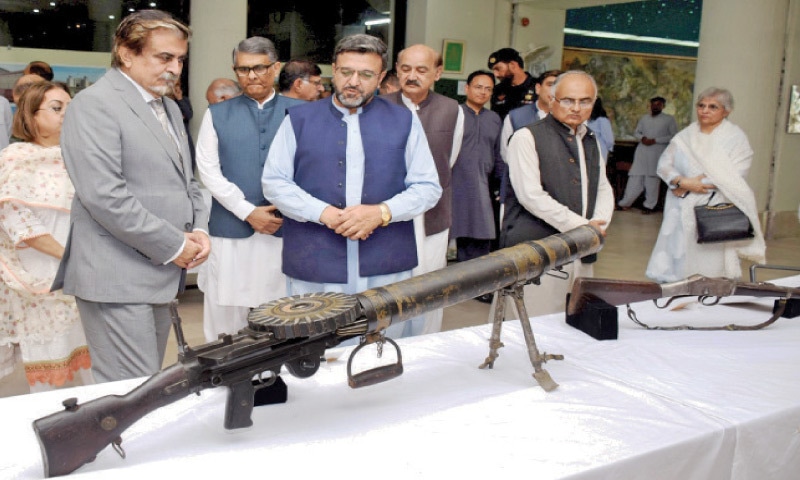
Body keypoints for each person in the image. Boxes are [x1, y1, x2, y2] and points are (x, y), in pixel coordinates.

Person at [53, 10, 210, 383]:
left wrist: (200, 229)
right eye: (164, 57)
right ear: (126, 53)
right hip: (116, 274)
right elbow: (104, 196)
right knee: (130, 388)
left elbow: (186, 181)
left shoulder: (168, 107)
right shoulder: (95, 104)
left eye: (180, 59)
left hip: (159, 271)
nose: (175, 68)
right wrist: (174, 244)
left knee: (147, 384)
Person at [262, 34, 441, 341]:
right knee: (317, 348)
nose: (353, 82)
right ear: (334, 70)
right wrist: (324, 213)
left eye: (366, 75)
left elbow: (427, 187)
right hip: (316, 260)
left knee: (386, 347)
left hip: (386, 261)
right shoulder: (299, 119)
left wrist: (381, 213)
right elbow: (274, 182)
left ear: (381, 78)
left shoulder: (404, 121)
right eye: (346, 72)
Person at [196, 37, 304, 342]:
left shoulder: (301, 112)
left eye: (259, 68)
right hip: (231, 230)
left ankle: (279, 370)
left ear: (276, 67)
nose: (251, 76)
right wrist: (247, 211)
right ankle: (222, 369)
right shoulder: (217, 113)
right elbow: (208, 171)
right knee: (225, 319)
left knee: (283, 314)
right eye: (243, 69)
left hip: (285, 228)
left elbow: (312, 167)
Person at [0, 81, 93, 392]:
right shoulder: (15, 158)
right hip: (41, 275)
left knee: (93, 361)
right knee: (50, 369)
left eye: (70, 107)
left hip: (85, 272)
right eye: (56, 108)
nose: (67, 113)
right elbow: (21, 225)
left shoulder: (79, 158)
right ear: (31, 116)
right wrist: (70, 258)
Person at [500, 70, 614, 317]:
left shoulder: (591, 139)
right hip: (537, 251)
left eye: (585, 101)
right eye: (568, 100)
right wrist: (583, 227)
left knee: (574, 320)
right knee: (530, 323)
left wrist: (599, 224)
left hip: (582, 248)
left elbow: (602, 186)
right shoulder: (526, 137)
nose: (576, 108)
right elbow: (531, 196)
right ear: (552, 99)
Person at [382, 43, 464, 336]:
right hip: (387, 214)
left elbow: (449, 160)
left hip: (433, 214)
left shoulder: (452, 110)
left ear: (437, 73)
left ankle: (426, 343)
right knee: (389, 288)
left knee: (430, 285)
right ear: (397, 70)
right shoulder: (378, 108)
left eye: (421, 70)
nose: (412, 76)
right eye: (405, 69)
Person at [646, 87, 765, 282]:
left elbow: (736, 173)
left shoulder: (735, 138)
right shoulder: (685, 136)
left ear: (726, 111)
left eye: (713, 107)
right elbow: (664, 165)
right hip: (679, 203)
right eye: (701, 105)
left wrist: (694, 184)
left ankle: (707, 291)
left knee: (709, 259)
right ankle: (675, 289)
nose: (705, 110)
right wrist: (681, 181)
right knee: (677, 252)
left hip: (713, 206)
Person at [450, 70, 503, 266]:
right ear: (467, 88)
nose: (483, 92)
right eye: (478, 87)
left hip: (482, 186)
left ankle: (473, 280)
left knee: (480, 235)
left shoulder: (494, 119)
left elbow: (498, 154)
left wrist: (500, 186)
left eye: (488, 89)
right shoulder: (454, 114)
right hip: (454, 184)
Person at [617, 96, 678, 214]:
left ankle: (649, 206)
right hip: (642, 152)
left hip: (657, 152)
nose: (655, 107)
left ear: (663, 106)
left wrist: (655, 140)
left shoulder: (669, 119)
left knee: (652, 182)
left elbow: (673, 136)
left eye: (658, 104)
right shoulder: (644, 118)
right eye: (653, 104)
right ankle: (625, 203)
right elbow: (636, 132)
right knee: (634, 179)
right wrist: (642, 138)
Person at [487, 48, 536, 120]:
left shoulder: (537, 86)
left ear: (512, 65)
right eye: (493, 70)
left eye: (498, 69)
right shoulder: (498, 90)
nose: (496, 74)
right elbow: (495, 120)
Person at [587, 96, 614, 161]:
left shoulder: (602, 120)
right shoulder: (586, 120)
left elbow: (609, 140)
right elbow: (609, 140)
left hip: (598, 152)